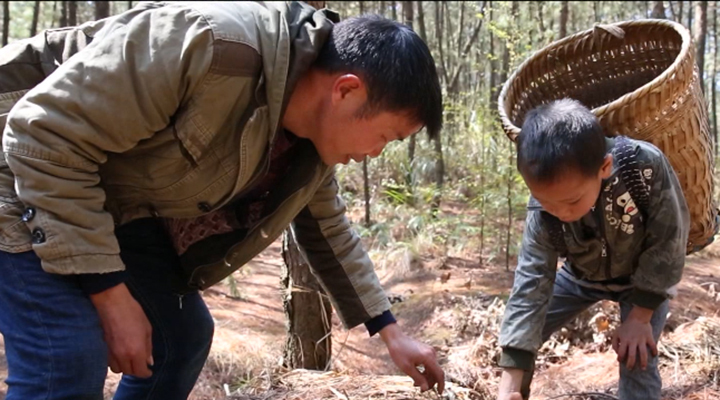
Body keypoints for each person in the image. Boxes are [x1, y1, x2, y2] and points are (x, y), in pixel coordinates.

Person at [0, 2, 445, 399]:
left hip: (100, 188)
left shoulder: (310, 138)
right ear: (346, 90)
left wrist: (388, 330)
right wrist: (111, 297)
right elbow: (43, 133)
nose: (374, 153)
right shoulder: (211, 44)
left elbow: (328, 229)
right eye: (385, 136)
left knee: (179, 337)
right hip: (21, 159)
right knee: (69, 355)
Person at [495, 99, 690, 400]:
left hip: (640, 281)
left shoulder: (643, 166)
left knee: (637, 356)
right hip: (578, 277)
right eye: (546, 202)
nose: (560, 212)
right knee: (523, 338)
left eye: (571, 201)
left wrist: (640, 317)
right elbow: (530, 283)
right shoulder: (544, 210)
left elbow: (669, 239)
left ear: (604, 167)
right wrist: (508, 385)